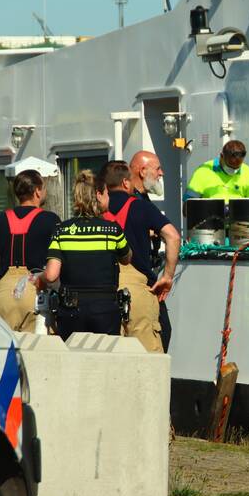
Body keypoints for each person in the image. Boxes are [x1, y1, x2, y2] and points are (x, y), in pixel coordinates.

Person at [100, 160, 180, 352]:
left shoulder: (96, 209)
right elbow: (173, 236)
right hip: (138, 286)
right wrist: (167, 277)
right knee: (152, 353)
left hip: (102, 288)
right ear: (126, 183)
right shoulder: (140, 206)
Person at [44, 169, 131, 340]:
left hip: (70, 309)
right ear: (98, 195)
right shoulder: (112, 230)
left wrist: (39, 276)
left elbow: (52, 275)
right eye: (106, 193)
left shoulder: (62, 230)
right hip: (105, 309)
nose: (109, 197)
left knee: (74, 361)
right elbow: (127, 258)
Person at [0, 169, 61, 332]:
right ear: (37, 191)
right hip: (35, 292)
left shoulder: (0, 219)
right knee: (38, 352)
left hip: (4, 296)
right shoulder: (51, 220)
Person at [128, 150, 179, 351]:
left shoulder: (142, 201)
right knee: (160, 332)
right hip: (141, 281)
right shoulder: (136, 203)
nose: (162, 173)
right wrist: (168, 276)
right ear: (142, 171)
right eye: (157, 168)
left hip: (143, 276)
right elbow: (173, 236)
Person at [185, 140, 249, 201]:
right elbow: (188, 206)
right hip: (209, 218)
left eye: (237, 168)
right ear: (222, 156)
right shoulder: (203, 171)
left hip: (239, 220)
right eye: (230, 166)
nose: (233, 170)